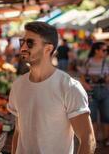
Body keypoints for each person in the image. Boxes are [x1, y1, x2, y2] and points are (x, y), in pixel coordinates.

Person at [7, 21, 96, 154]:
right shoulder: (18, 86)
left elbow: (88, 139)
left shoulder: (69, 87)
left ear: (48, 49)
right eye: (22, 42)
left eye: (30, 43)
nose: (23, 48)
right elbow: (18, 132)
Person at [81, 42, 109, 146]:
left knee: (106, 116)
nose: (106, 52)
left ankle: (106, 140)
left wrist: (106, 79)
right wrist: (85, 85)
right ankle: (94, 140)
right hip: (91, 91)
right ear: (96, 50)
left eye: (106, 50)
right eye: (104, 50)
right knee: (92, 116)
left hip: (104, 90)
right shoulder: (88, 61)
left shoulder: (106, 62)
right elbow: (82, 76)